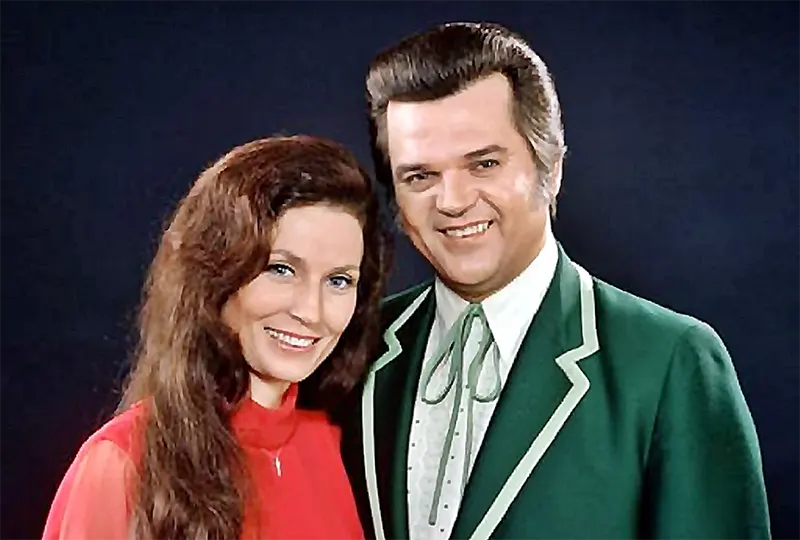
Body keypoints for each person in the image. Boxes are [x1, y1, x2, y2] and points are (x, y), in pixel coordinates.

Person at [340, 22, 771, 540]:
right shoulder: (351, 345)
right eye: (420, 176)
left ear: (552, 168)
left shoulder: (671, 362)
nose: (452, 201)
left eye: (484, 164)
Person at [42, 135, 391, 540]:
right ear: (216, 274)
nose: (311, 312)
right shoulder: (122, 463)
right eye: (280, 269)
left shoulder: (338, 446)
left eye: (339, 280)